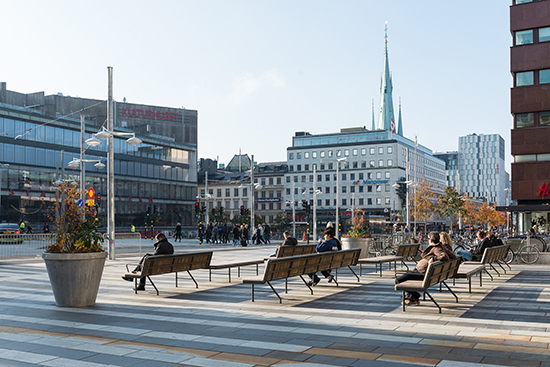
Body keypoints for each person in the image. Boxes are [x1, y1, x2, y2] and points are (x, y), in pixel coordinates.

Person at [395, 232, 455, 305]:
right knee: (405, 277)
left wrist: (434, 258)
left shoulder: (436, 248)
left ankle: (414, 296)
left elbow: (444, 257)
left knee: (398, 280)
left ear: (431, 240)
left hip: (421, 273)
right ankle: (412, 297)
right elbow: (453, 256)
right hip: (421, 271)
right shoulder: (440, 247)